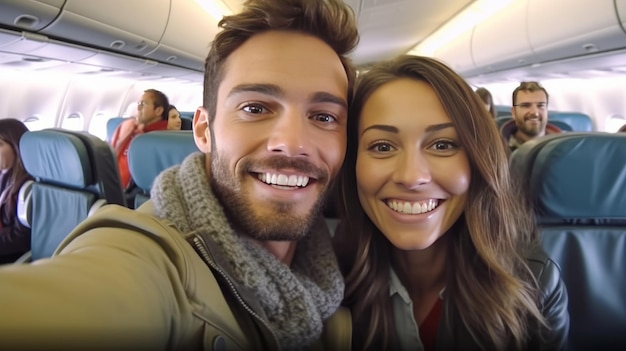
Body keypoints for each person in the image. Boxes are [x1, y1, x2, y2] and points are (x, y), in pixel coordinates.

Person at [0, 0, 358, 349]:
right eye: (255, 108)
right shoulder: (149, 257)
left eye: (324, 117)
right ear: (203, 131)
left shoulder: (352, 261)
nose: (293, 143)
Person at [333, 56, 569, 350]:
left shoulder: (532, 283)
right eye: (382, 146)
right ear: (352, 163)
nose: (411, 176)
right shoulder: (324, 280)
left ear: (476, 160)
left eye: (442, 145)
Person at [110, 88, 170, 190]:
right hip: (114, 184)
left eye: (143, 104)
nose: (138, 108)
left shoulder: (162, 138)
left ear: (158, 110)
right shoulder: (130, 129)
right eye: (138, 103)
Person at [0, 119, 32, 264]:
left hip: (11, 255)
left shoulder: (27, 187)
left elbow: (20, 238)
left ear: (16, 146)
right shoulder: (4, 175)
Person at [500, 81, 562, 151]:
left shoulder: (564, 146)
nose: (535, 112)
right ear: (514, 112)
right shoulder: (499, 149)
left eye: (540, 105)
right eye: (525, 106)